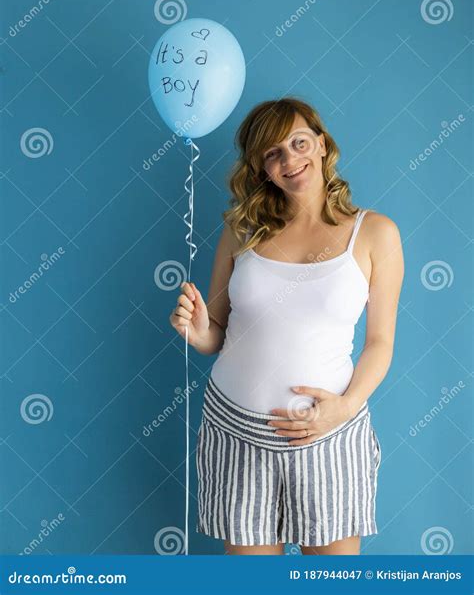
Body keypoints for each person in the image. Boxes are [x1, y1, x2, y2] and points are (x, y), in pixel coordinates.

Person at [170, 96, 404, 555]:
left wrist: (346, 406)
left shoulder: (376, 233)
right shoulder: (242, 229)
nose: (289, 159)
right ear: (261, 168)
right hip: (234, 431)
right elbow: (217, 329)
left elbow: (380, 342)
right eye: (273, 153)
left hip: (328, 433)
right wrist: (200, 335)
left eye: (298, 143)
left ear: (321, 145)